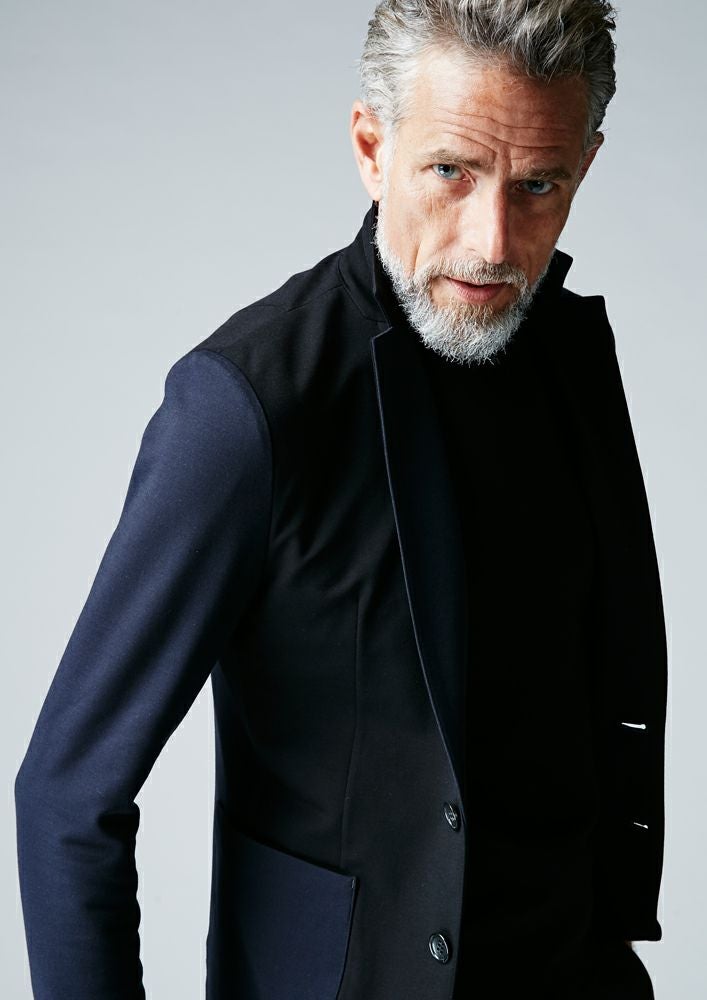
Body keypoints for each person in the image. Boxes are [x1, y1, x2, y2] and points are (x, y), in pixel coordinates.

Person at [14, 2, 667, 998]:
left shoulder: (570, 358)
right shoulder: (246, 406)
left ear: (584, 165)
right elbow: (67, 795)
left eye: (537, 185)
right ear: (371, 148)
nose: (492, 240)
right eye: (450, 171)